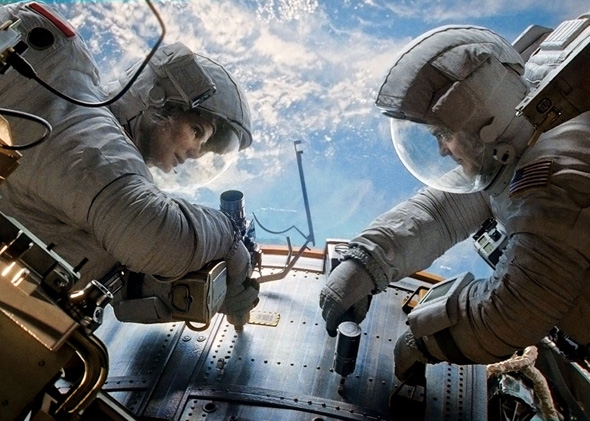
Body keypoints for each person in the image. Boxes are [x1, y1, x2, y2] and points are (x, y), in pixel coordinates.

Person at [319, 22, 590, 381]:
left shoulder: (558, 181)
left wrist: (423, 343)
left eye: (443, 135)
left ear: (484, 127)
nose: (442, 150)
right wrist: (366, 262)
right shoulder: (525, 130)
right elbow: (442, 210)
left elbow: (511, 311)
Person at [0, 1, 259, 327]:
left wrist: (189, 291)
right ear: (159, 99)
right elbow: (154, 235)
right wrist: (228, 236)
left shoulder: (102, 168)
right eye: (197, 133)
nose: (195, 154)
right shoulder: (86, 135)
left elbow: (110, 270)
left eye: (204, 151)